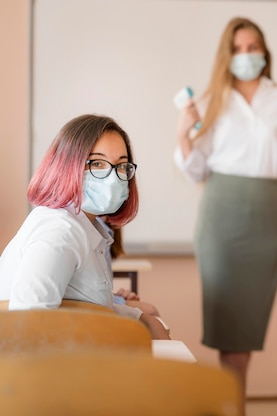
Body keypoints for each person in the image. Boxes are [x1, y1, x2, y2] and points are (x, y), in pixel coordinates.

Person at [173, 17, 277, 393]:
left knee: (247, 325)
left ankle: (232, 402)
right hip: (222, 216)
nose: (246, 55)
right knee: (227, 324)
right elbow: (195, 170)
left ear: (265, 53)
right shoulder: (210, 101)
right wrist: (182, 133)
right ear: (227, 55)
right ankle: (232, 403)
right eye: (238, 49)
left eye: (253, 48)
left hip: (268, 216)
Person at [0, 114, 170, 340]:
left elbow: (82, 307)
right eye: (97, 163)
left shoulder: (84, 228)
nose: (113, 176)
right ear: (67, 166)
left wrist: (140, 318)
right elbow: (28, 324)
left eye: (121, 165)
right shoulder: (59, 231)